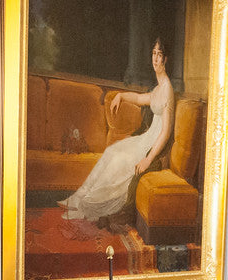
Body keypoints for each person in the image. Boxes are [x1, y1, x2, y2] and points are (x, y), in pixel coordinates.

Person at [60, 37, 174, 226]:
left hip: (153, 145)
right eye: (153, 53)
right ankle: (80, 198)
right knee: (112, 151)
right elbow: (139, 99)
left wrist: (148, 159)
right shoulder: (159, 88)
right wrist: (121, 95)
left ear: (166, 59)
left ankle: (89, 206)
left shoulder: (168, 89)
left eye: (159, 55)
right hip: (145, 139)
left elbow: (166, 132)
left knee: (120, 160)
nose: (155, 59)